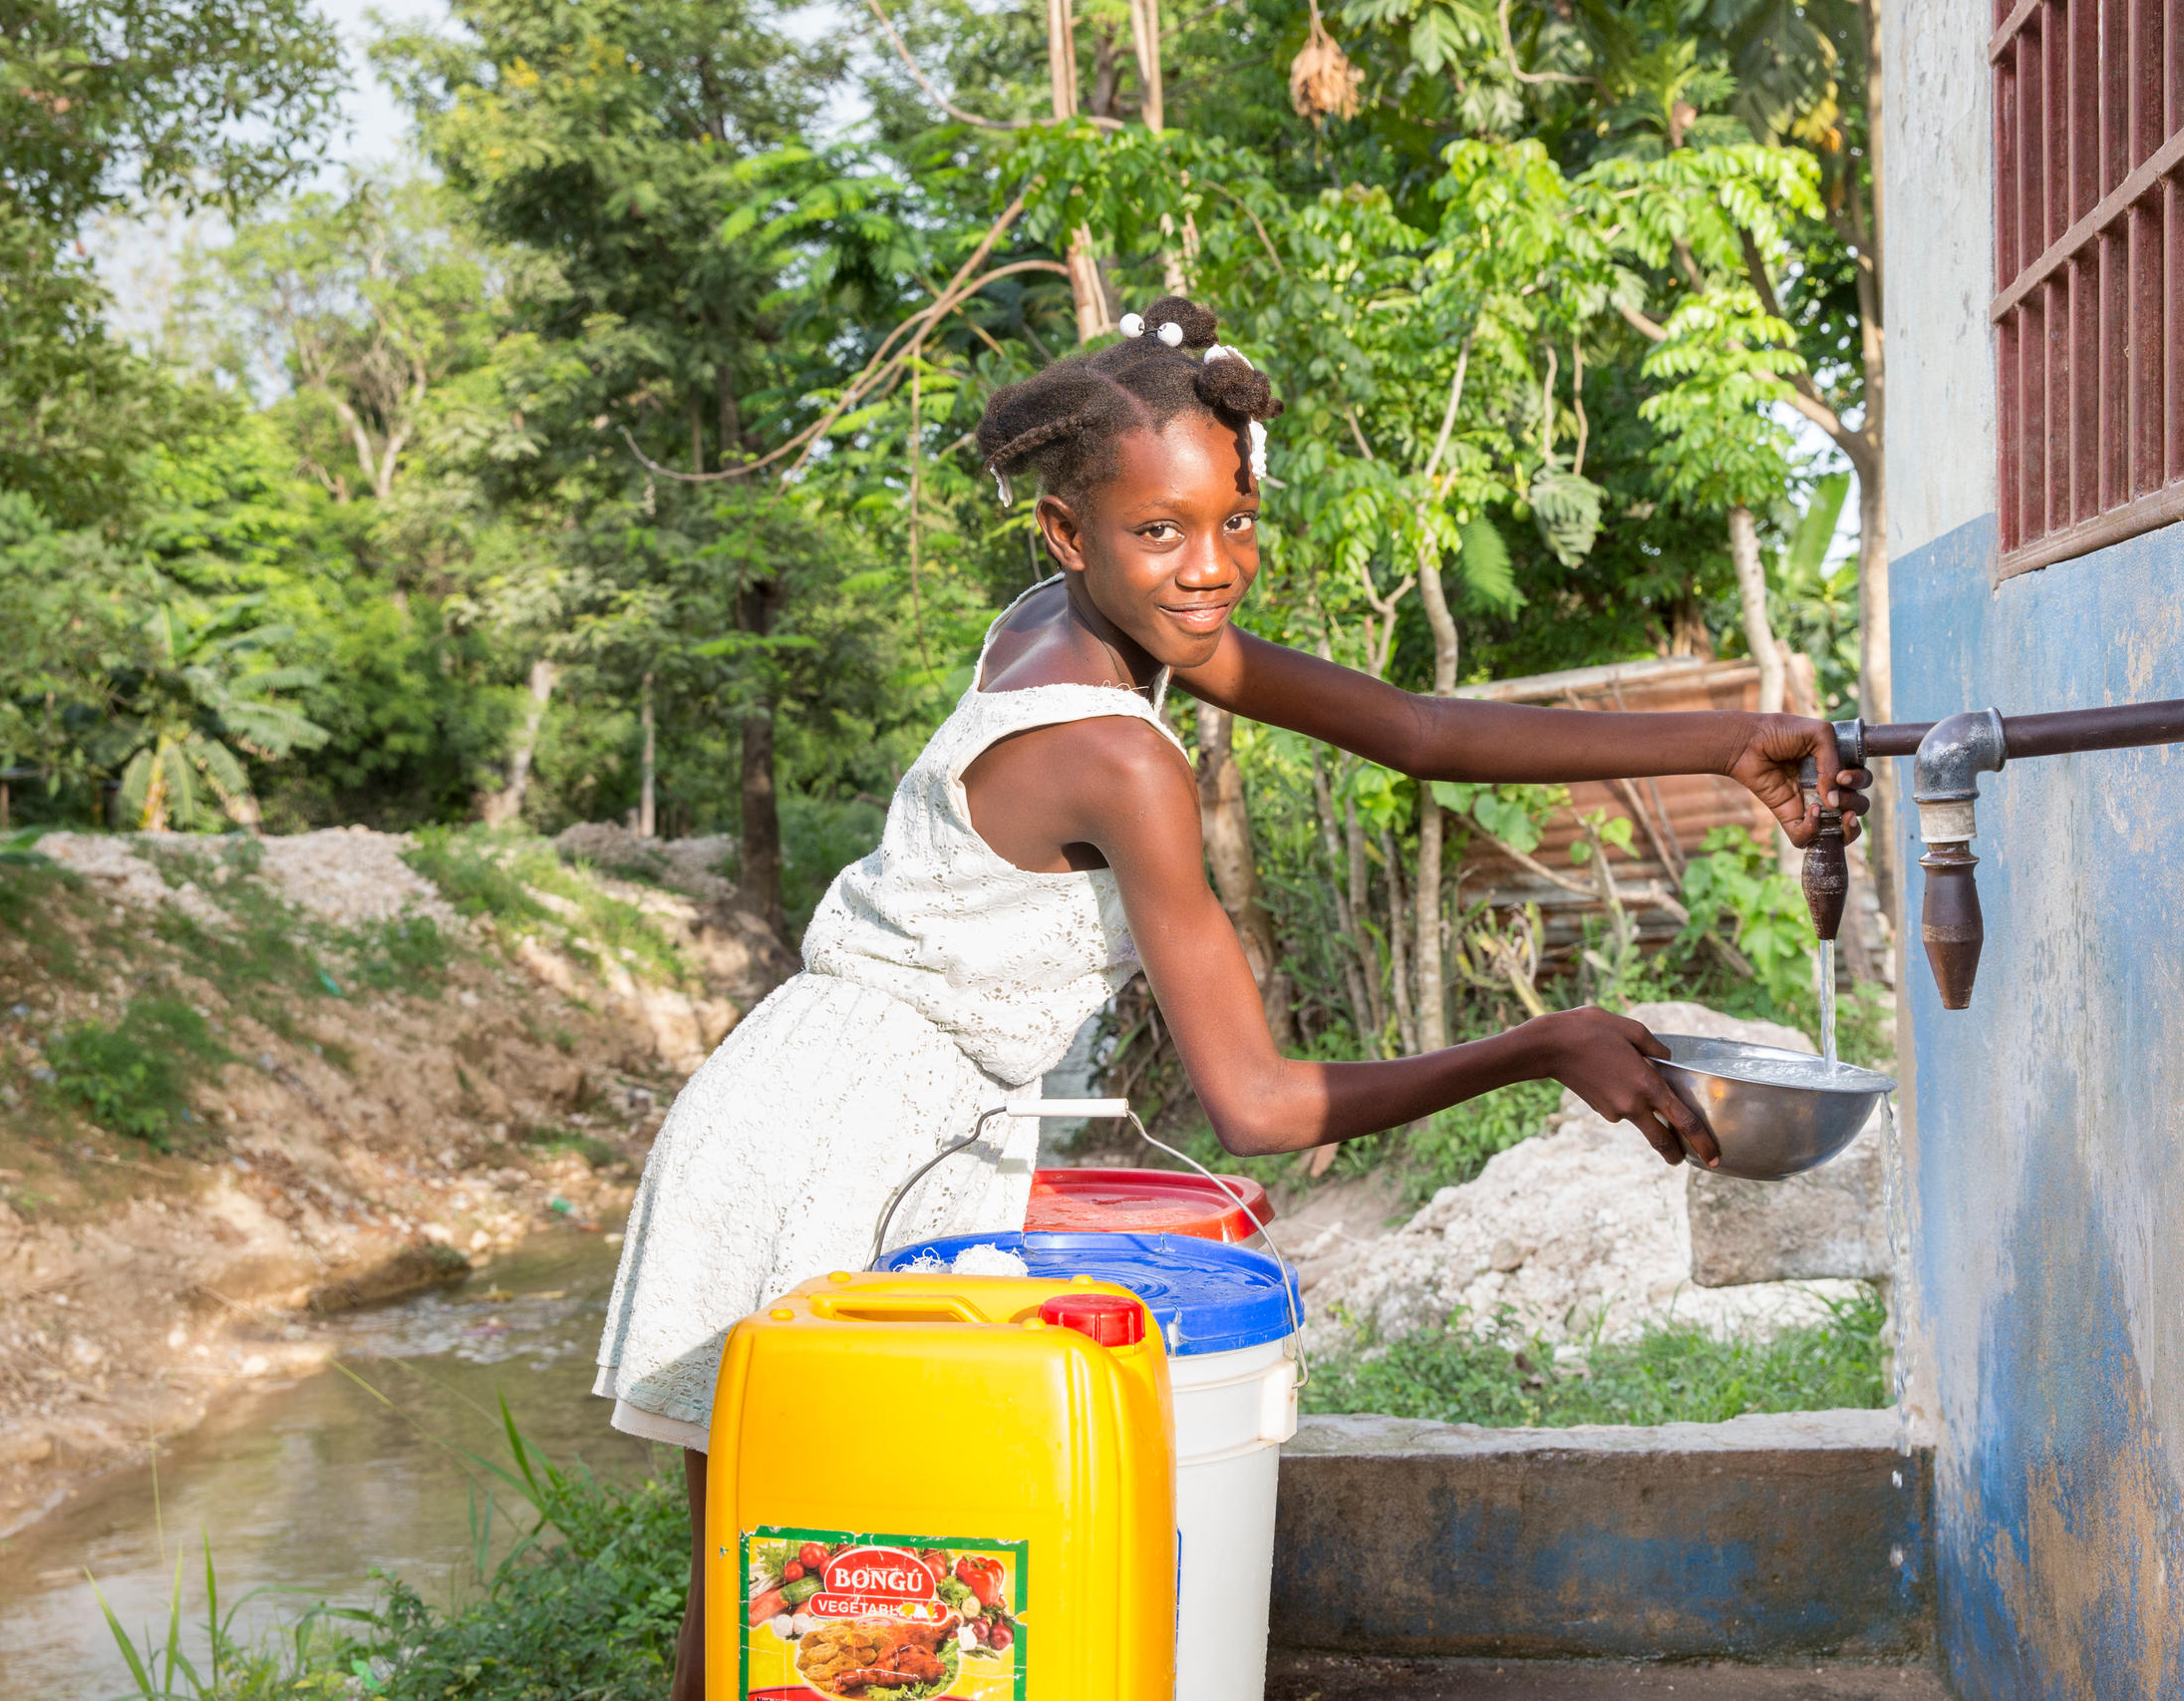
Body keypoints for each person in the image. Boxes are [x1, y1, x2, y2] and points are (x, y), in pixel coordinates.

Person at [595, 295, 1870, 1700]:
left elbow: (1421, 730)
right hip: (828, 1144)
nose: (1210, 570)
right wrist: (1540, 1045)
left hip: (836, 1097)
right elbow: (1258, 1104)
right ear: (1069, 535)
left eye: (1235, 521)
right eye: (1162, 531)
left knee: (804, 1593)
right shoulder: (1119, 759)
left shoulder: (1083, 624)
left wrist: (1735, 741)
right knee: (805, 1593)